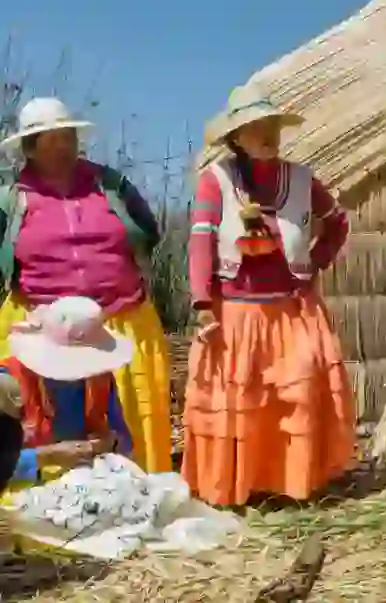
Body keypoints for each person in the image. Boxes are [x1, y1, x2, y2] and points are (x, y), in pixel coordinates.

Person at [182, 84, 355, 507]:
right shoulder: (216, 181)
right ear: (236, 137)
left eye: (272, 126)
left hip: (293, 310)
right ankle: (239, 488)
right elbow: (201, 239)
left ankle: (295, 484)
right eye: (255, 127)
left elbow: (337, 223)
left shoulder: (300, 179)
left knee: (294, 396)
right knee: (240, 399)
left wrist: (315, 263)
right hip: (236, 313)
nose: (266, 134)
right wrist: (203, 300)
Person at [0, 97, 171, 474]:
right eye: (51, 139)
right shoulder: (12, 198)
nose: (63, 146)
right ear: (30, 147)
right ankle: (55, 498)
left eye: (68, 137)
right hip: (40, 326)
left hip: (118, 318)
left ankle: (134, 489)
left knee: (126, 418)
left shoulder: (110, 185)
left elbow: (147, 231)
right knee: (49, 418)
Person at [0, 296, 134, 496]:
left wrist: (110, 442)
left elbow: (124, 440)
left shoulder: (100, 379)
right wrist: (47, 456)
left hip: (82, 494)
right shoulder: (7, 383)